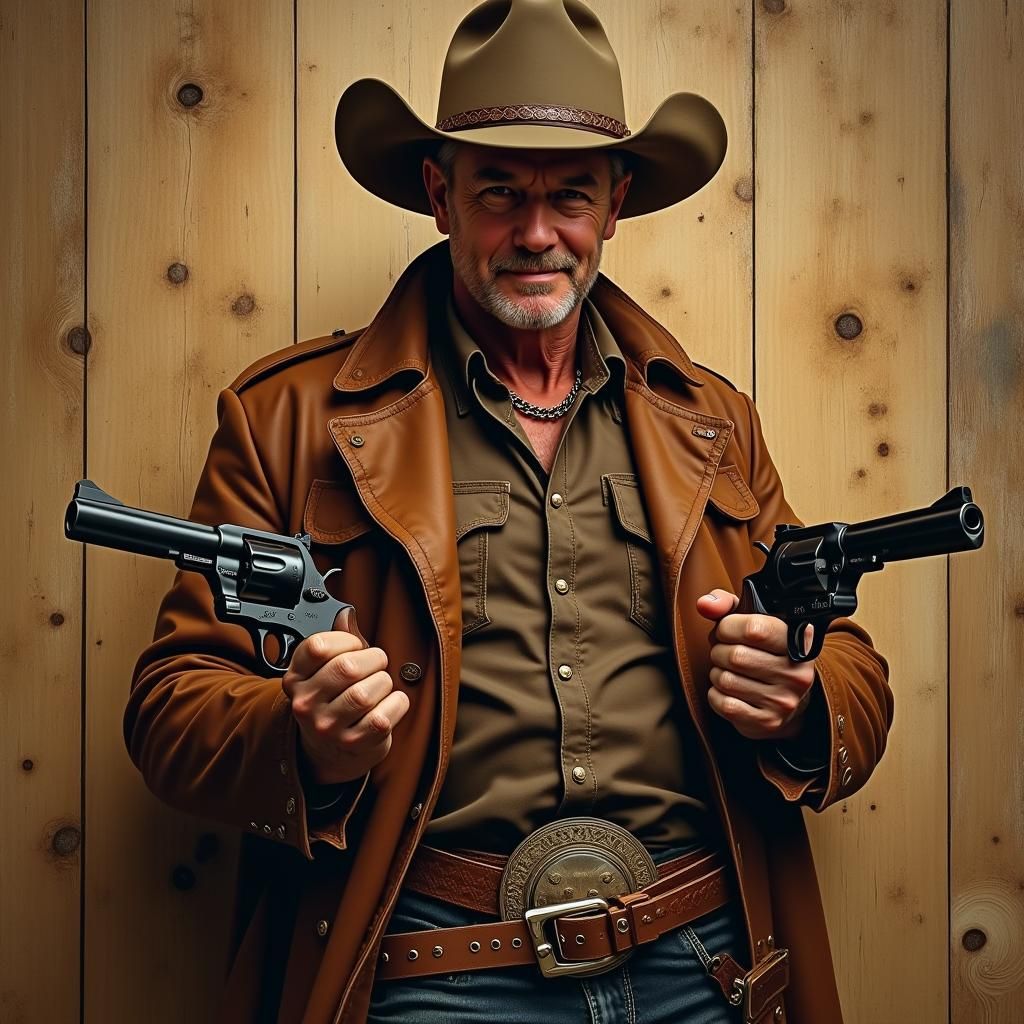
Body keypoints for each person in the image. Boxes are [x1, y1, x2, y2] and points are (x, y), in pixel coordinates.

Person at [126, 1, 892, 1022]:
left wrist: (801, 703)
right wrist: (299, 733)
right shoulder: (284, 417)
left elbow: (849, 666)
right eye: (498, 193)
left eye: (569, 194)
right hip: (434, 971)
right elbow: (172, 710)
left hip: (702, 962)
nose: (536, 233)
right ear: (440, 194)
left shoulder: (712, 419)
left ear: (614, 203)